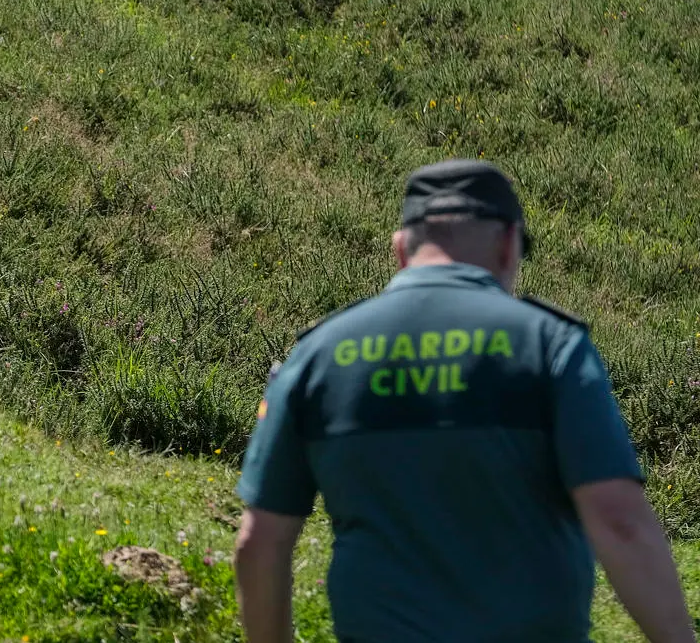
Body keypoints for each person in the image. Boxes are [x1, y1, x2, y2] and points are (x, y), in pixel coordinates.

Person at [232, 159, 695, 643]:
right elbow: (619, 521)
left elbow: (259, 543)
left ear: (400, 250)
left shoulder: (317, 356)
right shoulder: (548, 345)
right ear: (508, 244)